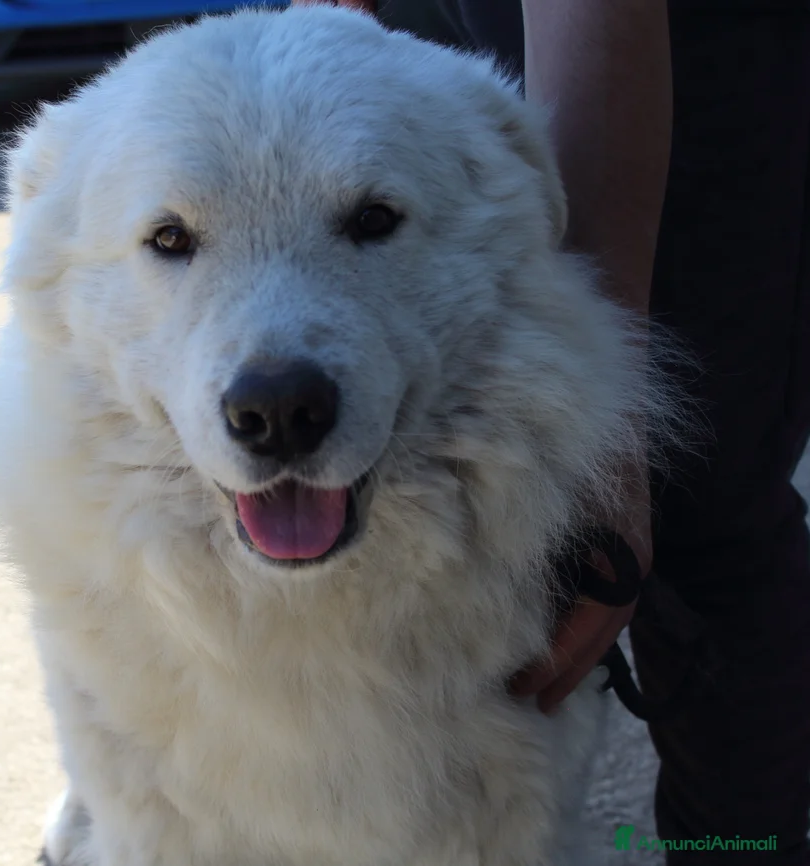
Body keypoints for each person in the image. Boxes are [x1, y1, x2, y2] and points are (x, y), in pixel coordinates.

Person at [296, 0, 810, 861]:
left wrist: (610, 434)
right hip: (422, 30)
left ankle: (738, 848)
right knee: (413, 489)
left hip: (676, 42)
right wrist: (330, 41)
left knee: (708, 521)